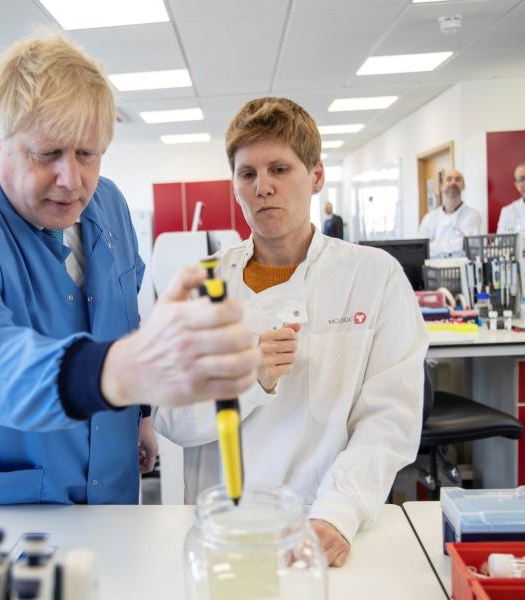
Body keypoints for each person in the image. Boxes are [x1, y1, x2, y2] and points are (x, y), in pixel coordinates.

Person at [0, 34, 260, 505]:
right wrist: (122, 373)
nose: (72, 180)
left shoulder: (109, 205)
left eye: (88, 154)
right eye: (47, 154)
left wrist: (140, 414)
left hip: (109, 487)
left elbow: (123, 321)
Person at [153, 97, 427, 567]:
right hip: (225, 527)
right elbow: (170, 418)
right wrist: (247, 379)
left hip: (325, 522)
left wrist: (337, 514)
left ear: (316, 176)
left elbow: (389, 419)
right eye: (248, 174)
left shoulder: (372, 276)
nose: (263, 188)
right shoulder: (202, 285)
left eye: (280, 169)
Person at [418, 169, 482, 258]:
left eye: (457, 179)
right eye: (449, 179)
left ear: (463, 186)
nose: (453, 182)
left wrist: (434, 246)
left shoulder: (472, 215)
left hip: (461, 269)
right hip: (433, 270)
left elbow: (467, 244)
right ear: (441, 186)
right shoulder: (429, 218)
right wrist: (457, 244)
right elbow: (422, 248)